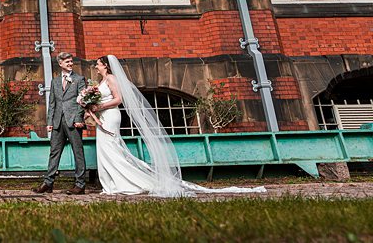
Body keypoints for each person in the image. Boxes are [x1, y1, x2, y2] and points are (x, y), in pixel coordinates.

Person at [88, 55, 265, 197]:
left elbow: (118, 99)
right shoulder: (101, 82)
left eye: (98, 64)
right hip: (103, 116)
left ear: (105, 65)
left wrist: (100, 106)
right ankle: (111, 181)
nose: (96, 66)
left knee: (112, 148)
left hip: (111, 116)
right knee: (106, 149)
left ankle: (124, 181)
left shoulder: (111, 78)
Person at [33, 52, 87, 195]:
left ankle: (80, 184)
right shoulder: (55, 81)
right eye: (67, 62)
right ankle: (48, 183)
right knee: (54, 152)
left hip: (73, 121)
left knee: (78, 152)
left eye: (71, 61)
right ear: (60, 64)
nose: (70, 63)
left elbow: (83, 101)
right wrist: (49, 122)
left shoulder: (79, 79)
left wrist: (78, 119)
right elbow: (52, 103)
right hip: (57, 121)